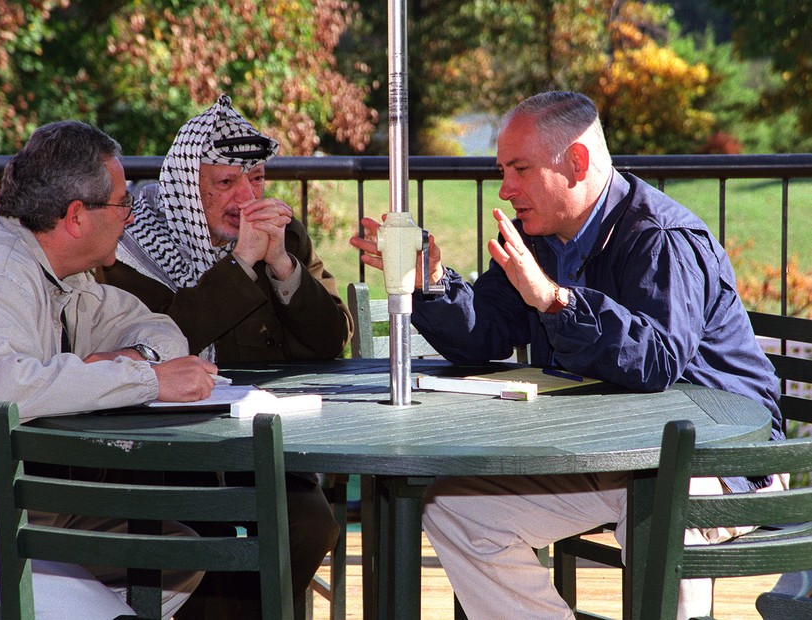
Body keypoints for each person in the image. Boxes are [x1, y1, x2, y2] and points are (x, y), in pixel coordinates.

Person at [350, 91, 786, 619]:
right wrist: (433, 282)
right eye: (503, 170)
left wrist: (557, 301)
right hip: (612, 460)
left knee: (660, 506)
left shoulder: (660, 238)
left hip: (721, 463)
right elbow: (484, 335)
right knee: (453, 509)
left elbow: (657, 361)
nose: (506, 188)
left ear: (576, 162)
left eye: (520, 169)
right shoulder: (543, 239)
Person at [0, 120, 219, 619]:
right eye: (121, 204)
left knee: (178, 555)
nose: (130, 218)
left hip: (13, 506)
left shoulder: (55, 271)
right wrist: (146, 380)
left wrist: (132, 360)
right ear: (75, 216)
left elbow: (154, 327)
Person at [97, 94, 347, 618]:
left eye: (256, 178)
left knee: (309, 522)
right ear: (191, 187)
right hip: (166, 455)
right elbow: (166, 339)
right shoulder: (132, 246)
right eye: (226, 183)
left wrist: (280, 263)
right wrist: (238, 266)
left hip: (261, 444)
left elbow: (330, 341)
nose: (246, 196)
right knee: (201, 535)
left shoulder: (281, 232)